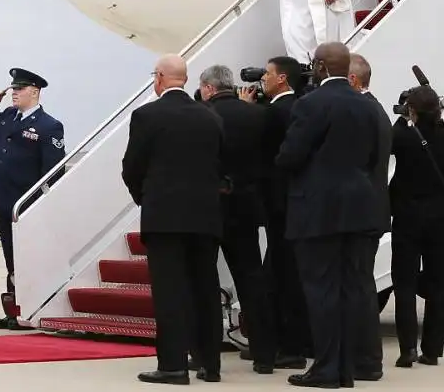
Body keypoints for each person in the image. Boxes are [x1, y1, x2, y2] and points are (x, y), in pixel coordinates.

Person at [276, 42, 383, 387]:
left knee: (321, 290)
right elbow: (372, 157)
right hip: (360, 204)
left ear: (320, 67)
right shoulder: (369, 105)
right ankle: (348, 367)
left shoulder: (311, 104)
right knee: (352, 289)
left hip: (318, 208)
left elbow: (291, 155)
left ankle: (326, 368)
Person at [122, 55, 224, 385]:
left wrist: (146, 198)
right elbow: (221, 164)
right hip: (206, 216)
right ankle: (210, 363)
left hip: (164, 216)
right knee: (205, 288)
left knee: (170, 292)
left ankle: (173, 365)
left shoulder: (147, 115)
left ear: (161, 78)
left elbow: (132, 167)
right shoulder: (210, 116)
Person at [0, 68, 65, 331]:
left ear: (35, 92)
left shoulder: (49, 126)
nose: (14, 93)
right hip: (4, 201)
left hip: (26, 204)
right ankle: (15, 310)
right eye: (13, 88)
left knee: (27, 260)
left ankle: (31, 309)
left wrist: (41, 204)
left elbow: (53, 170)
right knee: (11, 260)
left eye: (20, 89)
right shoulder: (7, 118)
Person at [198, 65, 275, 373]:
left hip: (209, 207)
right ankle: (265, 353)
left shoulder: (201, 116)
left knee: (205, 281)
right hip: (246, 208)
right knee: (252, 280)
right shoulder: (258, 115)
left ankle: (207, 355)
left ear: (207, 88)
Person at [241, 57, 311, 368]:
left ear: (282, 78)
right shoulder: (300, 107)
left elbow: (258, 146)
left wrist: (247, 109)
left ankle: (289, 347)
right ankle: (293, 342)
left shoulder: (277, 111)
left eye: (267, 74)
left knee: (284, 277)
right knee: (285, 274)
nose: (263, 79)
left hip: (279, 205)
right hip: (296, 204)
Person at [388, 85, 444, 367]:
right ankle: (433, 349)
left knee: (405, 283)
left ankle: (407, 348)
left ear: (412, 110)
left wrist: (402, 117)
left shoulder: (402, 134)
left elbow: (388, 142)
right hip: (440, 217)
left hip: (407, 215)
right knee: (438, 283)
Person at [347, 53, 392, 379]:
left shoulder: (365, 113)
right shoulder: (376, 110)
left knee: (358, 286)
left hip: (360, 213)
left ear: (353, 80)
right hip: (371, 211)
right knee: (360, 285)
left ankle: (365, 359)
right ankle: (366, 358)